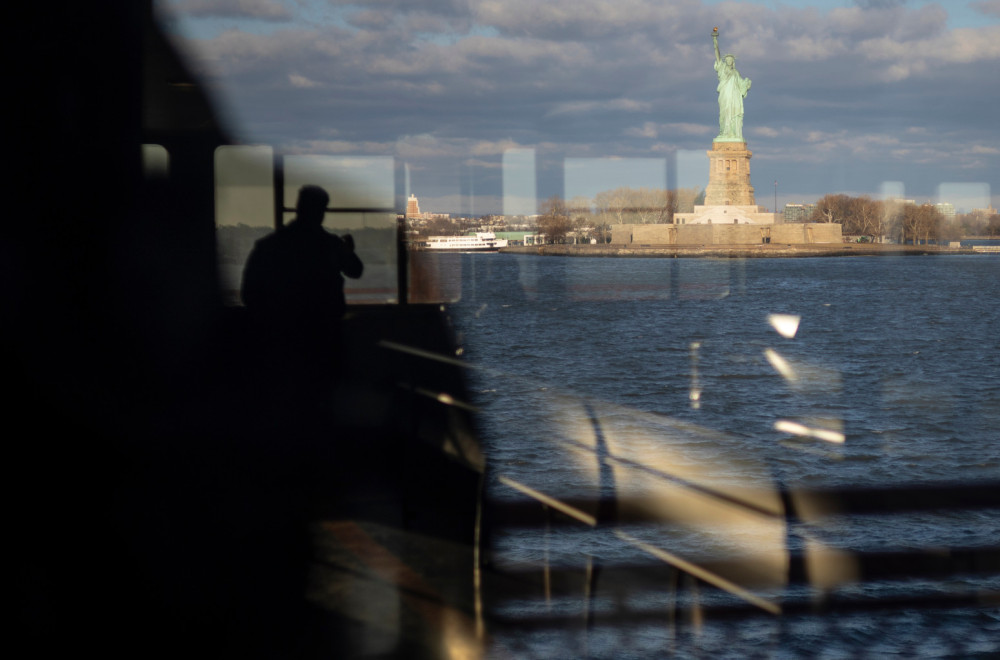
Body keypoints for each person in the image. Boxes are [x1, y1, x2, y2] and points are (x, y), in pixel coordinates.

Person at [241, 184, 364, 387]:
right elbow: (356, 271)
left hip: (281, 339)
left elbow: (250, 294)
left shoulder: (269, 246)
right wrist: (348, 251)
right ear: (321, 211)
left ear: (298, 207)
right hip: (324, 337)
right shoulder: (331, 245)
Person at [712, 28, 751, 141]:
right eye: (727, 59)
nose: (728, 61)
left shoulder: (736, 73)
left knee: (733, 113)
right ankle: (724, 132)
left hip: (734, 98)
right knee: (724, 113)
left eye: (730, 60)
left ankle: (733, 133)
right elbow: (717, 55)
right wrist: (715, 40)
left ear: (733, 61)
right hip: (725, 95)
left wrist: (747, 84)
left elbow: (741, 85)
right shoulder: (722, 69)